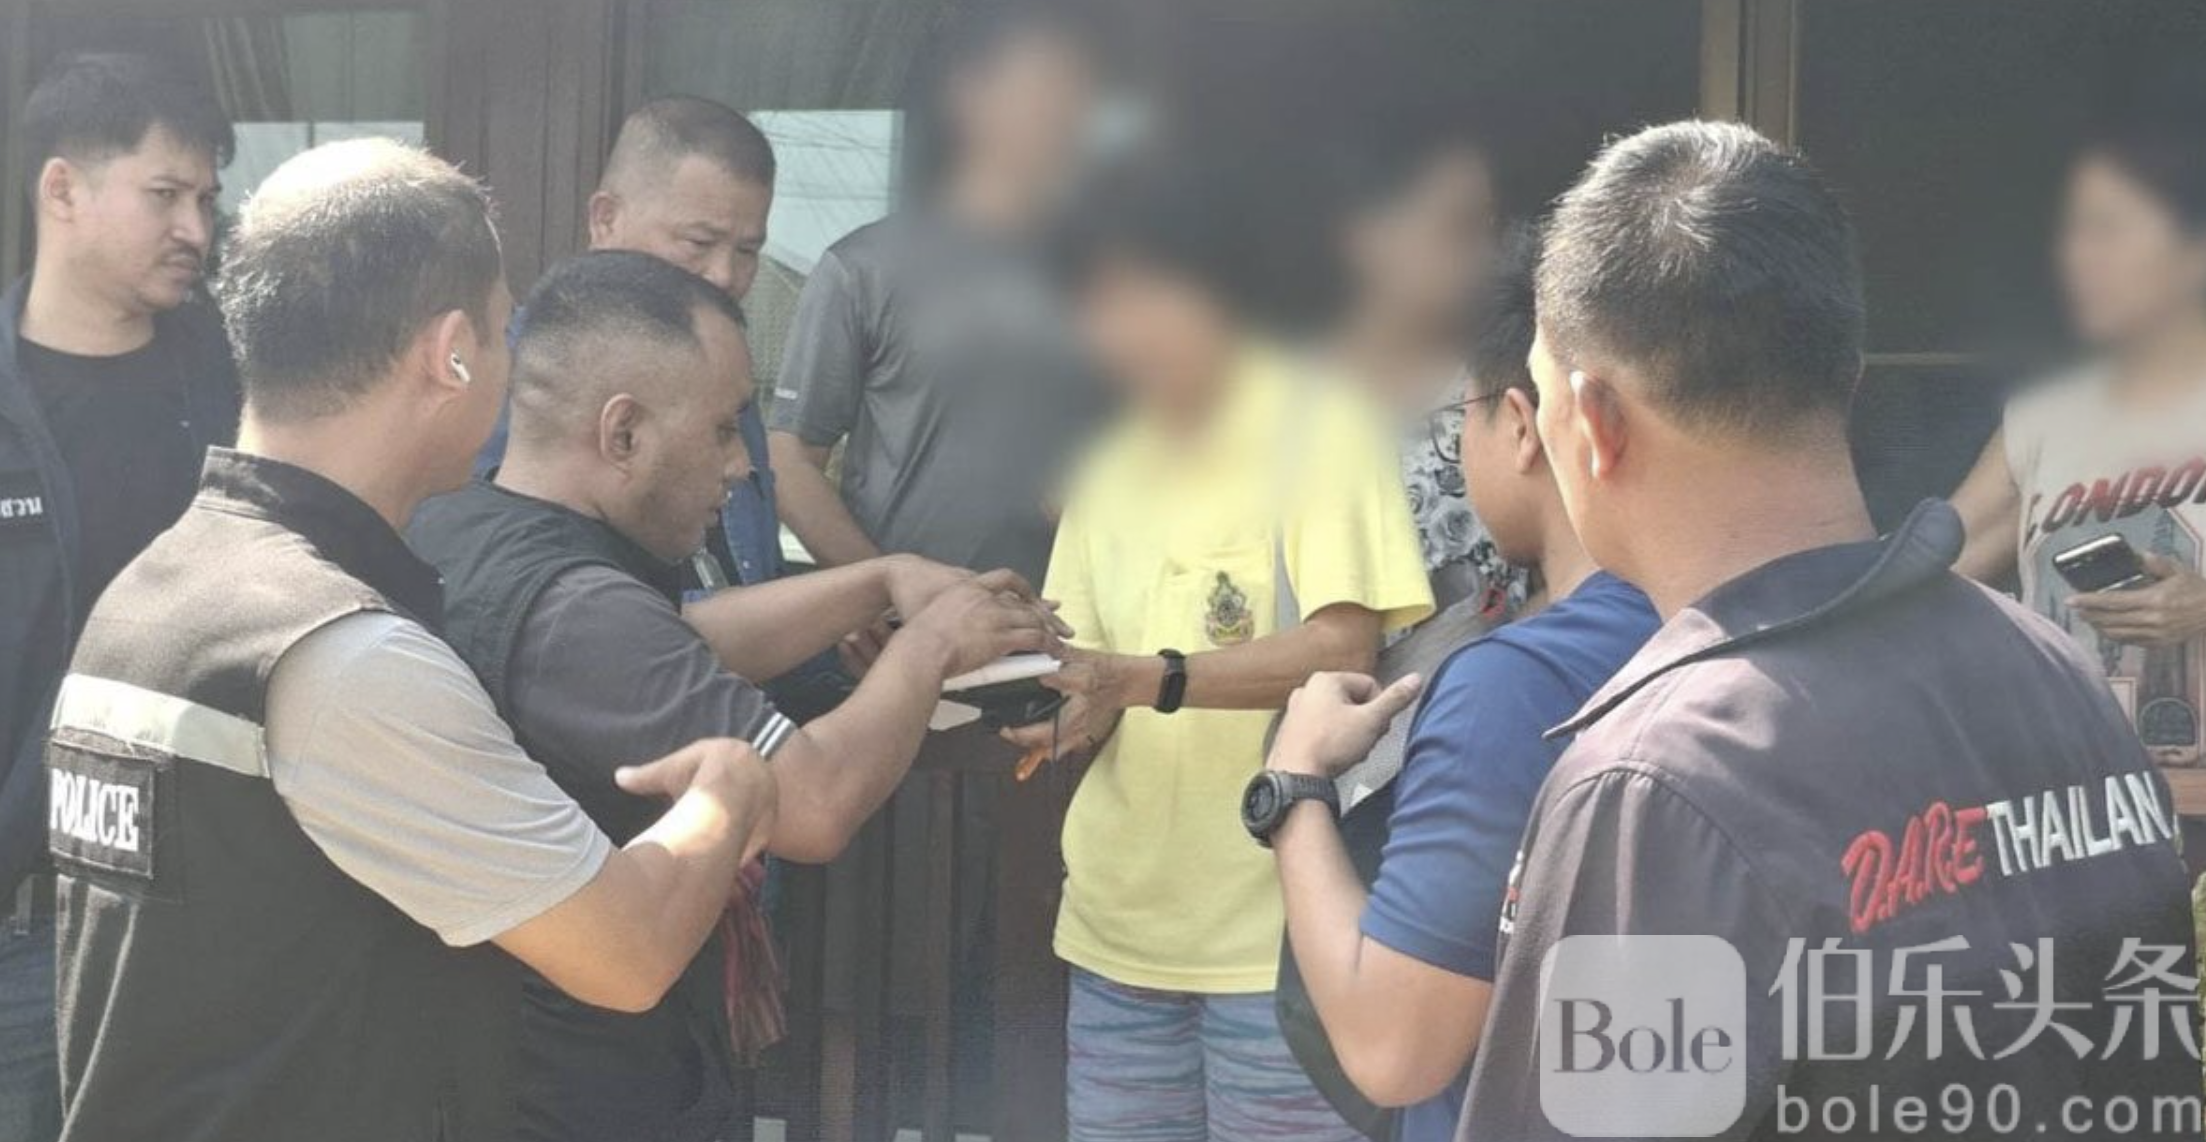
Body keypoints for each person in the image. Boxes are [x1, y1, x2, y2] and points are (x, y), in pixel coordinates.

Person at [1391, 120, 2195, 1141]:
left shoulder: (1659, 783)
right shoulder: (2051, 667)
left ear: (1592, 420)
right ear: (1845, 380)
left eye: (1539, 396)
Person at [45, 139, 783, 1142]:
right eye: (503, 332)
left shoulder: (148, 594)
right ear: (451, 353)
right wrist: (729, 786)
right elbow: (627, 948)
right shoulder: (340, 654)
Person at [408, 250, 1067, 1142]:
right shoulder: (580, 614)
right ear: (623, 434)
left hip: (493, 1063)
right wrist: (932, 647)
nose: (742, 467)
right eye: (724, 429)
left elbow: (684, 638)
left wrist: (881, 579)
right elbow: (812, 804)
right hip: (583, 1094)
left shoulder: (464, 525)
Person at [1007, 157, 1433, 1141]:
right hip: (1116, 928)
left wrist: (1146, 678)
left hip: (1278, 936)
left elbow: (1344, 647)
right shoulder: (1104, 458)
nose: (1112, 330)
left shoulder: (1320, 427)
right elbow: (1093, 670)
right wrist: (1052, 705)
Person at [1260, 233, 1657, 1141]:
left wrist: (1293, 782)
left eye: (1464, 413)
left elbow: (1392, 1048)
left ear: (1520, 424)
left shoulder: (1508, 686)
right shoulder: (1721, 619)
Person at [0, 53, 237, 1142]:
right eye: (166, 194)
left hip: (211, 908)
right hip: (28, 925)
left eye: (208, 200)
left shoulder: (236, 381)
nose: (196, 228)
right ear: (63, 190)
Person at [767, 7, 1104, 586]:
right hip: (915, 630)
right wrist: (885, 591)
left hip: (1076, 624)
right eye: (1050, 84)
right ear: (970, 96)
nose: (1071, 111)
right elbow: (790, 459)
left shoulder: (1110, 277)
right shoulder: (863, 268)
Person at [1952, 97, 2206, 822]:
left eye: (2108, 229)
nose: (2076, 256)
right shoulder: (2044, 413)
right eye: (2071, 231)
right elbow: (1939, 564)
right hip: (2071, 816)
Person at [1322, 129, 1525, 619]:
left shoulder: (1514, 387)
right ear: (1365, 235)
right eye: (1459, 230)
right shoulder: (1277, 408)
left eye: (1488, 228)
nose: (1485, 258)